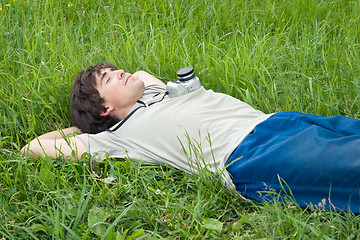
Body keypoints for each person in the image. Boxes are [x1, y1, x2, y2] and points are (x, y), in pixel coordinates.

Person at [21, 62, 360, 213]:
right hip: (254, 155)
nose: (121, 72)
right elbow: (32, 148)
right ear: (105, 107)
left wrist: (121, 94)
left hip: (280, 122)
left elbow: (140, 75)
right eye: (109, 77)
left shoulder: (152, 92)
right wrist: (88, 126)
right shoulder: (119, 137)